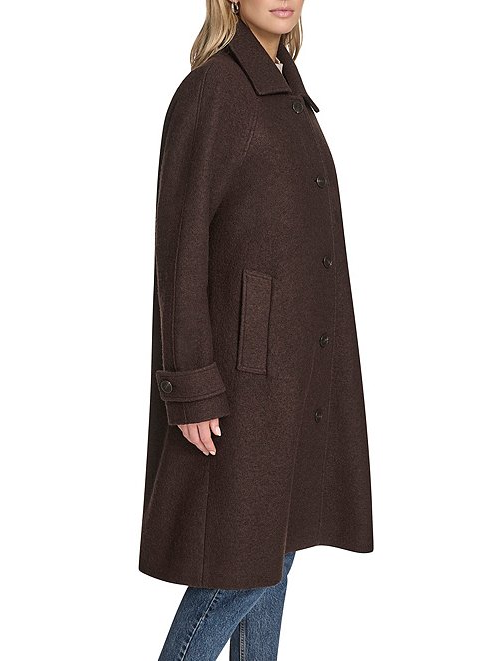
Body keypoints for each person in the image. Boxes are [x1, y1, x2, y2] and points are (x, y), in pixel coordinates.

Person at [139, 2, 374, 659]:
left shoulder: (287, 91)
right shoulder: (213, 92)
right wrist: (191, 386)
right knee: (237, 571)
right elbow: (180, 249)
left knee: (275, 555)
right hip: (242, 384)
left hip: (295, 374)